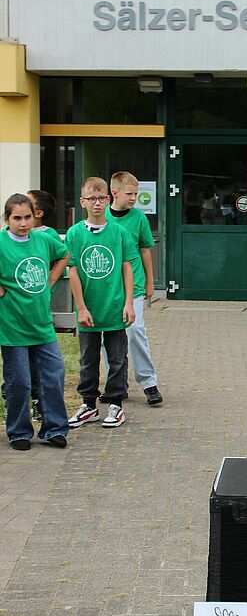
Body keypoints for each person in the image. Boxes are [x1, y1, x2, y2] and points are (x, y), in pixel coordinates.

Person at [0, 193, 70, 450]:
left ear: (34, 216)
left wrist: (51, 278)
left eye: (27, 217)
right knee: (19, 382)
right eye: (17, 218)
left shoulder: (43, 239)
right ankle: (19, 431)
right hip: (13, 326)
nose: (23, 223)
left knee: (54, 375)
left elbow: (64, 254)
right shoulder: (1, 243)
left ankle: (54, 429)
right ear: (7, 219)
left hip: (42, 324)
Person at [66, 177, 136, 429]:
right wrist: (81, 307)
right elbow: (72, 270)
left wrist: (129, 303)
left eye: (101, 198)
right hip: (89, 310)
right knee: (88, 359)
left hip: (114, 307)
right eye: (91, 199)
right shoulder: (74, 234)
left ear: (108, 199)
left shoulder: (119, 233)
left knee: (117, 358)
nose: (97, 203)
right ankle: (88, 405)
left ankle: (116, 404)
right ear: (82, 201)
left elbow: (127, 267)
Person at [105, 171, 163, 406]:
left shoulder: (139, 218)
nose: (133, 198)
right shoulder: (102, 217)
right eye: (129, 194)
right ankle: (116, 384)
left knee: (135, 330)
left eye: (136, 194)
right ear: (114, 192)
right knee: (110, 335)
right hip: (109, 287)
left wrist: (150, 281)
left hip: (135, 285)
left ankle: (148, 382)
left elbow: (145, 250)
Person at [27, 189, 64, 421]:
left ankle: (40, 401)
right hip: (15, 310)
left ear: (38, 213)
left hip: (39, 309)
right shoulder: (8, 236)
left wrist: (50, 280)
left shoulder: (47, 236)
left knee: (43, 358)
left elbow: (63, 256)